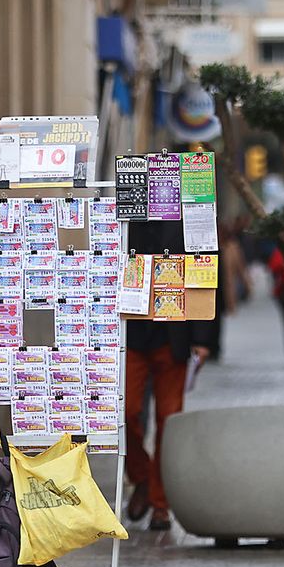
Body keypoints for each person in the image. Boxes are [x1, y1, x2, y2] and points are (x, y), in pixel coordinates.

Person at [125, 218, 221, 533]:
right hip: (132, 329)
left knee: (170, 419)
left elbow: (203, 270)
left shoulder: (190, 214)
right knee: (127, 412)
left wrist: (203, 338)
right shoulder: (125, 215)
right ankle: (141, 479)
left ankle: (160, 503)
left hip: (173, 335)